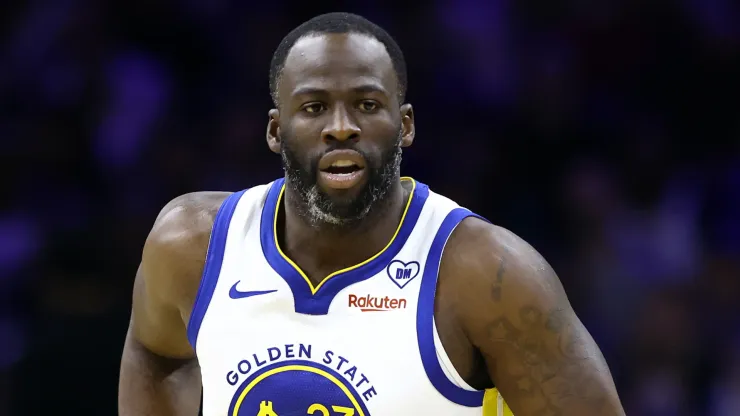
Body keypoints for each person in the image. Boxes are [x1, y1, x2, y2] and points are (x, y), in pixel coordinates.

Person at [118, 12, 625, 416]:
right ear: (276, 130)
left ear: (404, 125)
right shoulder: (193, 247)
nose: (341, 127)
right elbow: (155, 354)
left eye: (365, 104)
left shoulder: (487, 274)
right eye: (314, 107)